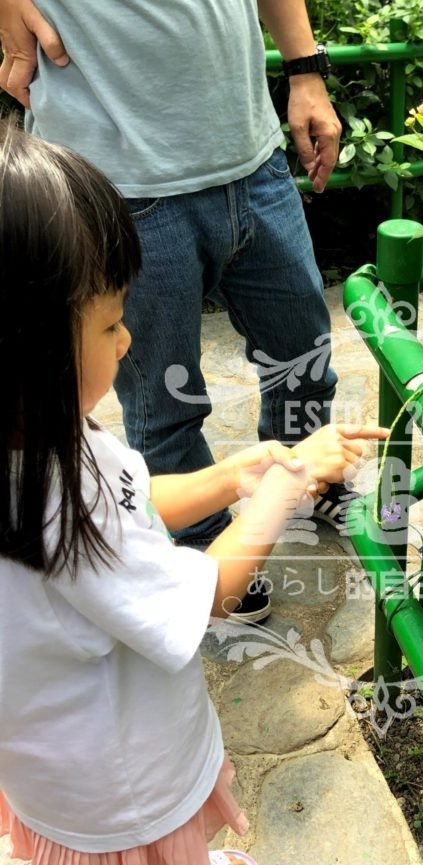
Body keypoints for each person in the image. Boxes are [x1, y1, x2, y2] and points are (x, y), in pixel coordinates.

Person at [0, 123, 386, 865]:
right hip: (105, 768)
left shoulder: (35, 447)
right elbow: (202, 589)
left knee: (143, 863)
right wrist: (283, 487)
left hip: (72, 736)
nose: (128, 340)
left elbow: (129, 492)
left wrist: (228, 475)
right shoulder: (57, 499)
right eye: (107, 321)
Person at [0, 0, 347, 622]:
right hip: (123, 182)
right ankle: (200, 548)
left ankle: (305, 478)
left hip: (253, 156)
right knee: (164, 404)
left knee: (304, 354)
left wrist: (305, 68)